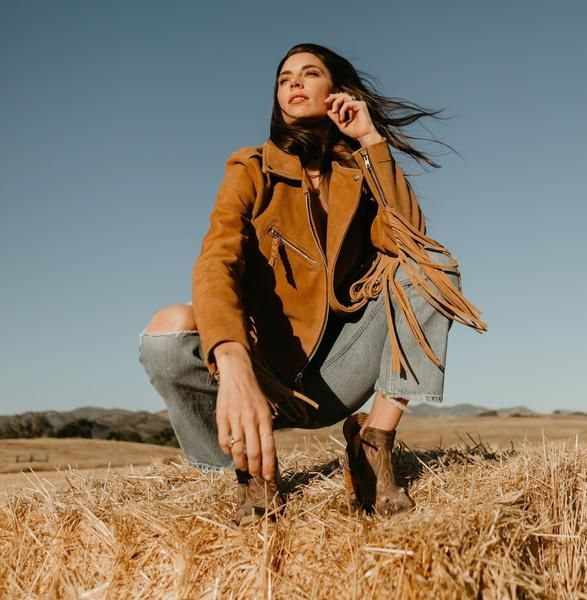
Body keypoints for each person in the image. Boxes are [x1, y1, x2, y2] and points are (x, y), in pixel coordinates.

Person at [138, 43, 487, 525]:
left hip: (338, 373)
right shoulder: (250, 168)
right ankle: (252, 468)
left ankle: (373, 445)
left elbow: (411, 242)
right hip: (263, 378)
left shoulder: (357, 175)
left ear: (335, 93)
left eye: (309, 74)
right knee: (169, 331)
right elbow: (216, 261)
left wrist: (372, 143)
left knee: (431, 264)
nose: (294, 83)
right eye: (285, 79)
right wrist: (233, 359)